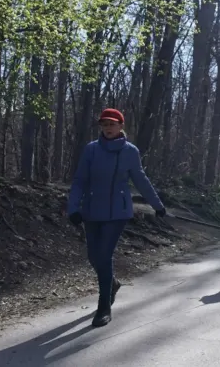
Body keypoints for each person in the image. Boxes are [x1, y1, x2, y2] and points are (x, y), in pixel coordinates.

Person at [66, 108, 167, 327]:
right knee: (93, 256)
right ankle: (111, 283)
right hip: (92, 210)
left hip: (117, 213)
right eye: (104, 124)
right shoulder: (91, 149)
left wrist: (157, 205)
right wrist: (73, 208)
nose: (108, 128)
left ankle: (104, 306)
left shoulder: (130, 151)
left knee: (104, 255)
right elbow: (80, 180)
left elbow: (140, 179)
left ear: (121, 126)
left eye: (112, 124)